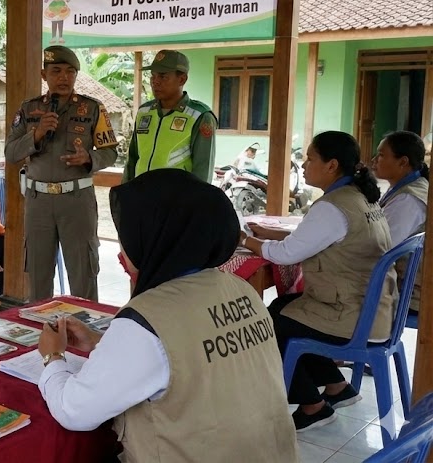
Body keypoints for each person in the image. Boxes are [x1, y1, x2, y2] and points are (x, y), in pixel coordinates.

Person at [38, 169, 297, 461]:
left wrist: (53, 357)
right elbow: (189, 355)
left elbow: (75, 411)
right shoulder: (239, 288)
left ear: (154, 238)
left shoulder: (147, 320)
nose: (123, 249)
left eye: (127, 235)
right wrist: (103, 342)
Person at [241, 131, 392, 430]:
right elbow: (318, 239)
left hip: (352, 315)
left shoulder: (333, 207)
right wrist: (270, 233)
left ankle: (312, 406)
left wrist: (246, 240)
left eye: (310, 159)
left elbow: (286, 255)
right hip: (374, 309)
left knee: (268, 323)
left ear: (331, 165)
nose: (305, 164)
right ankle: (336, 385)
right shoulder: (358, 197)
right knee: (283, 306)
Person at [5, 46, 118, 302]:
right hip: (38, 202)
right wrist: (36, 134)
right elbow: (11, 153)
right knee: (38, 274)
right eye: (56, 71)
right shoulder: (29, 109)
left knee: (83, 275)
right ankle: (41, 335)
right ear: (44, 75)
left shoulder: (92, 109)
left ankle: (86, 334)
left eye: (70, 72)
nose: (64, 77)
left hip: (77, 201)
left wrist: (90, 158)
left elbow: (110, 151)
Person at [123, 50, 216, 183]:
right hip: (141, 197)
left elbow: (203, 168)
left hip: (176, 200)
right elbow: (132, 158)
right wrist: (125, 194)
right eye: (153, 76)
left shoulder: (199, 116)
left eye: (162, 76)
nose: (155, 82)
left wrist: (195, 202)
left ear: (182, 79)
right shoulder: (144, 112)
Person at [371, 130, 428, 314]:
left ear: (403, 162)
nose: (374, 160)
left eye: (381, 155)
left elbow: (381, 246)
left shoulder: (408, 200)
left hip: (409, 294)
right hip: (401, 284)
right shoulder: (403, 188)